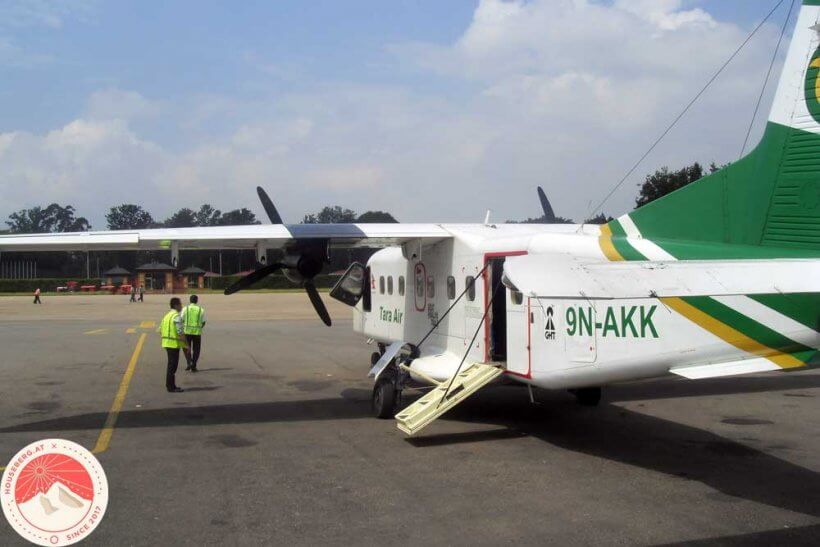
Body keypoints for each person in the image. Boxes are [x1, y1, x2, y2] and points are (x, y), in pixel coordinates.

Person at [160, 297, 186, 393]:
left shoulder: (167, 316)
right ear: (176, 305)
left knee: (171, 365)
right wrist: (186, 344)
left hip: (166, 343)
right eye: (180, 304)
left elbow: (160, 329)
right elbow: (180, 332)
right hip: (173, 344)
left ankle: (171, 385)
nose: (181, 306)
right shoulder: (176, 316)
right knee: (172, 366)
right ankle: (171, 387)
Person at [181, 294, 206, 372]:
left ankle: (189, 363)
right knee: (196, 349)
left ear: (190, 300)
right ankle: (194, 365)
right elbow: (203, 322)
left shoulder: (185, 309)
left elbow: (181, 319)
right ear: (197, 301)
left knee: (186, 348)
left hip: (187, 331)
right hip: (197, 332)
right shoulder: (201, 309)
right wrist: (199, 327)